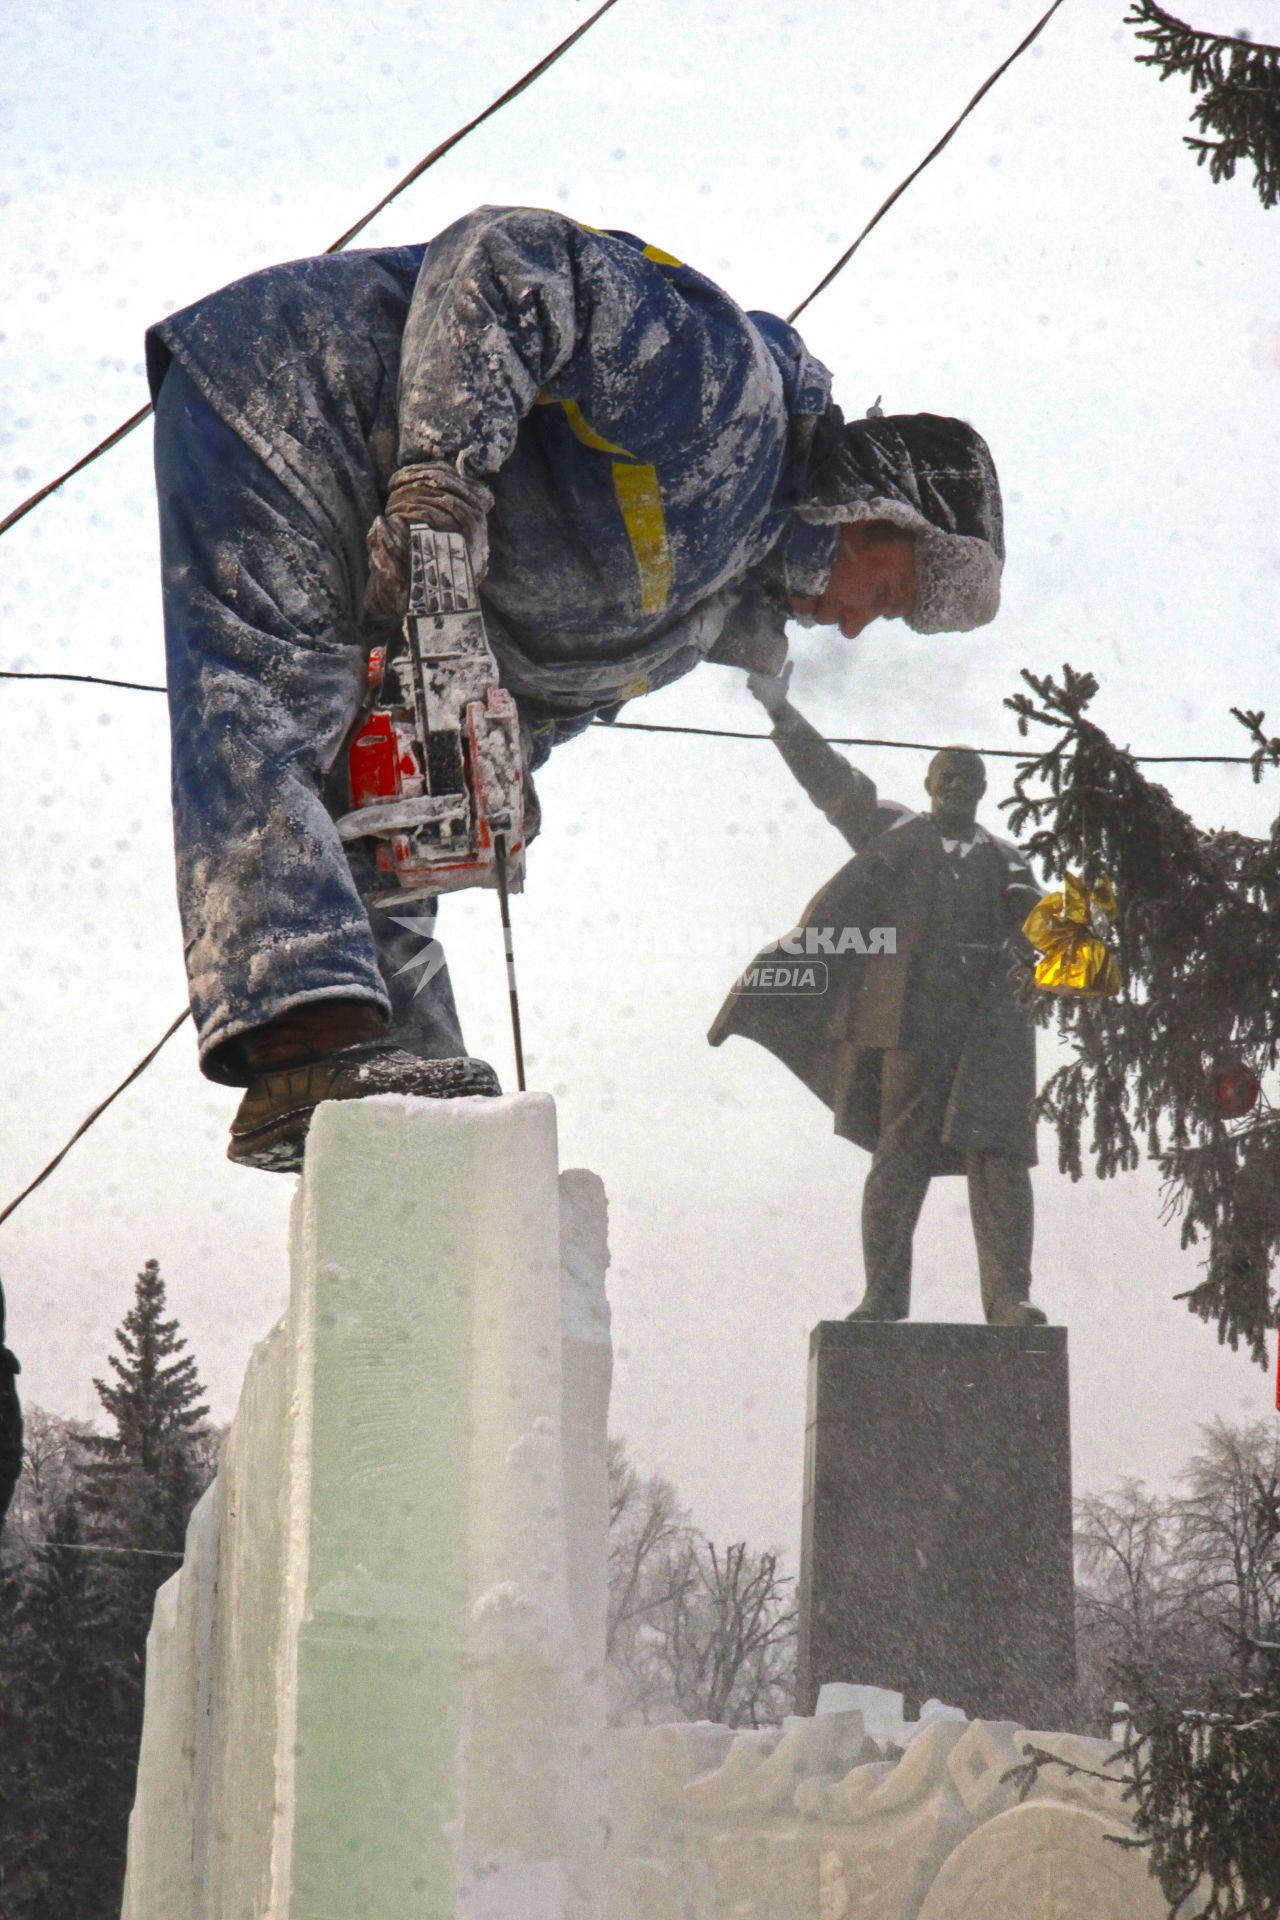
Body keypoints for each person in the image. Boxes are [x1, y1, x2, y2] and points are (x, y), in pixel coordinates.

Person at [147, 204, 1005, 1171]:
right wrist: (442, 482)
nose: (853, 624)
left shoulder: (698, 618)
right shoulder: (729, 407)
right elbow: (510, 263)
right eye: (881, 596)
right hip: (306, 391)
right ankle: (308, 1034)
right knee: (269, 700)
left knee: (403, 815)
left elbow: (531, 688)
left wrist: (495, 764)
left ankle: (417, 1116)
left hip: (384, 551)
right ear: (875, 518)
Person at [709, 667, 1047, 1326]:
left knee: (1000, 1163)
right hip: (908, 1029)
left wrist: (1090, 942)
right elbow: (834, 785)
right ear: (929, 786)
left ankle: (1008, 1299)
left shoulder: (1006, 861)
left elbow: (1056, 938)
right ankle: (884, 1297)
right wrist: (783, 713)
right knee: (898, 1161)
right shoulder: (895, 831)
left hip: (986, 1036)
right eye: (946, 776)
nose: (957, 786)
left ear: (982, 791)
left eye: (968, 779)